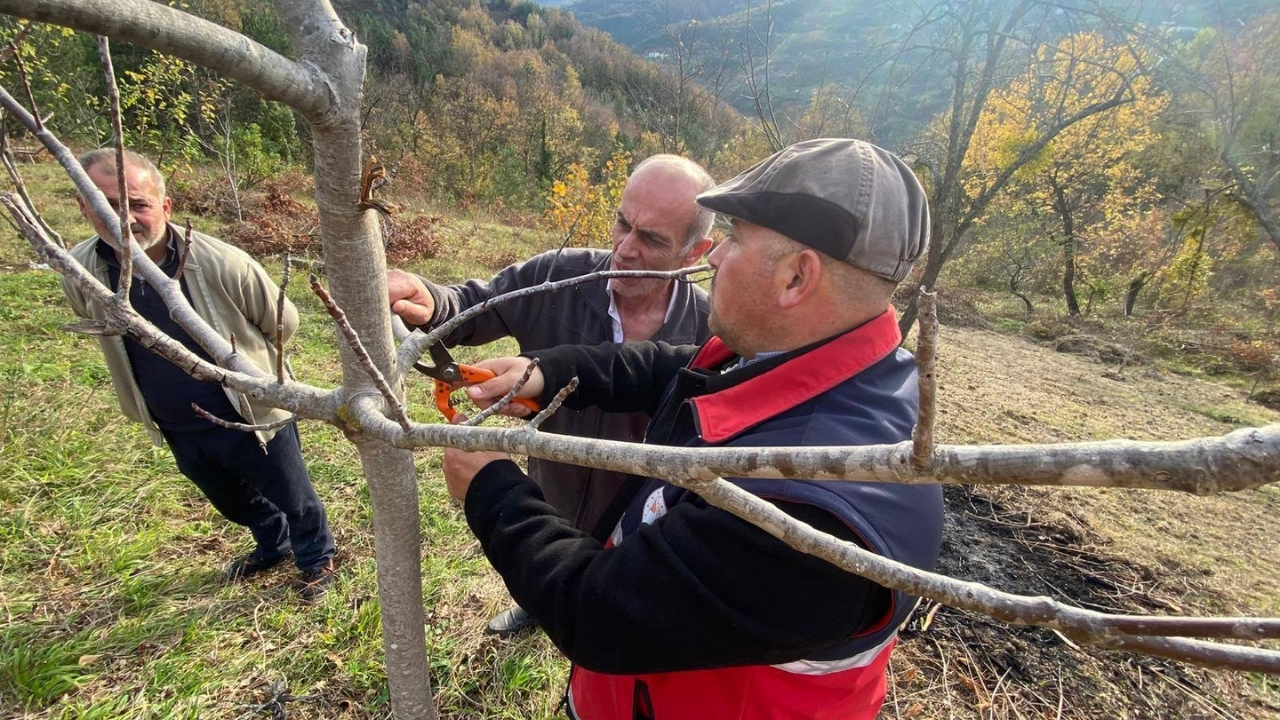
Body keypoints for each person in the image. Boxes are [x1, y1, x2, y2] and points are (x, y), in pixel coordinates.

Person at [441, 138, 945, 719]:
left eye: (734, 237)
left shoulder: (811, 514)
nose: (714, 258)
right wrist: (543, 372)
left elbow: (599, 612)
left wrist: (492, 487)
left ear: (795, 278)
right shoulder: (817, 362)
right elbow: (674, 368)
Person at [388, 154, 716, 635]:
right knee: (545, 552)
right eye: (622, 223)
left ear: (695, 252)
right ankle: (534, 604)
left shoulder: (709, 332)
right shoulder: (560, 277)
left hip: (635, 508)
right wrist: (432, 299)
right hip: (552, 479)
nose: (624, 249)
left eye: (651, 239)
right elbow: (475, 303)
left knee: (607, 599)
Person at [60, 148, 337, 603]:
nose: (122, 220)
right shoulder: (82, 271)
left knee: (292, 493)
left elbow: (282, 322)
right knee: (229, 500)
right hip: (175, 422)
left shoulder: (222, 263)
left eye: (137, 205)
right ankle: (274, 543)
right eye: (105, 205)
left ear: (165, 207)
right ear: (82, 206)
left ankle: (316, 556)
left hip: (253, 415)